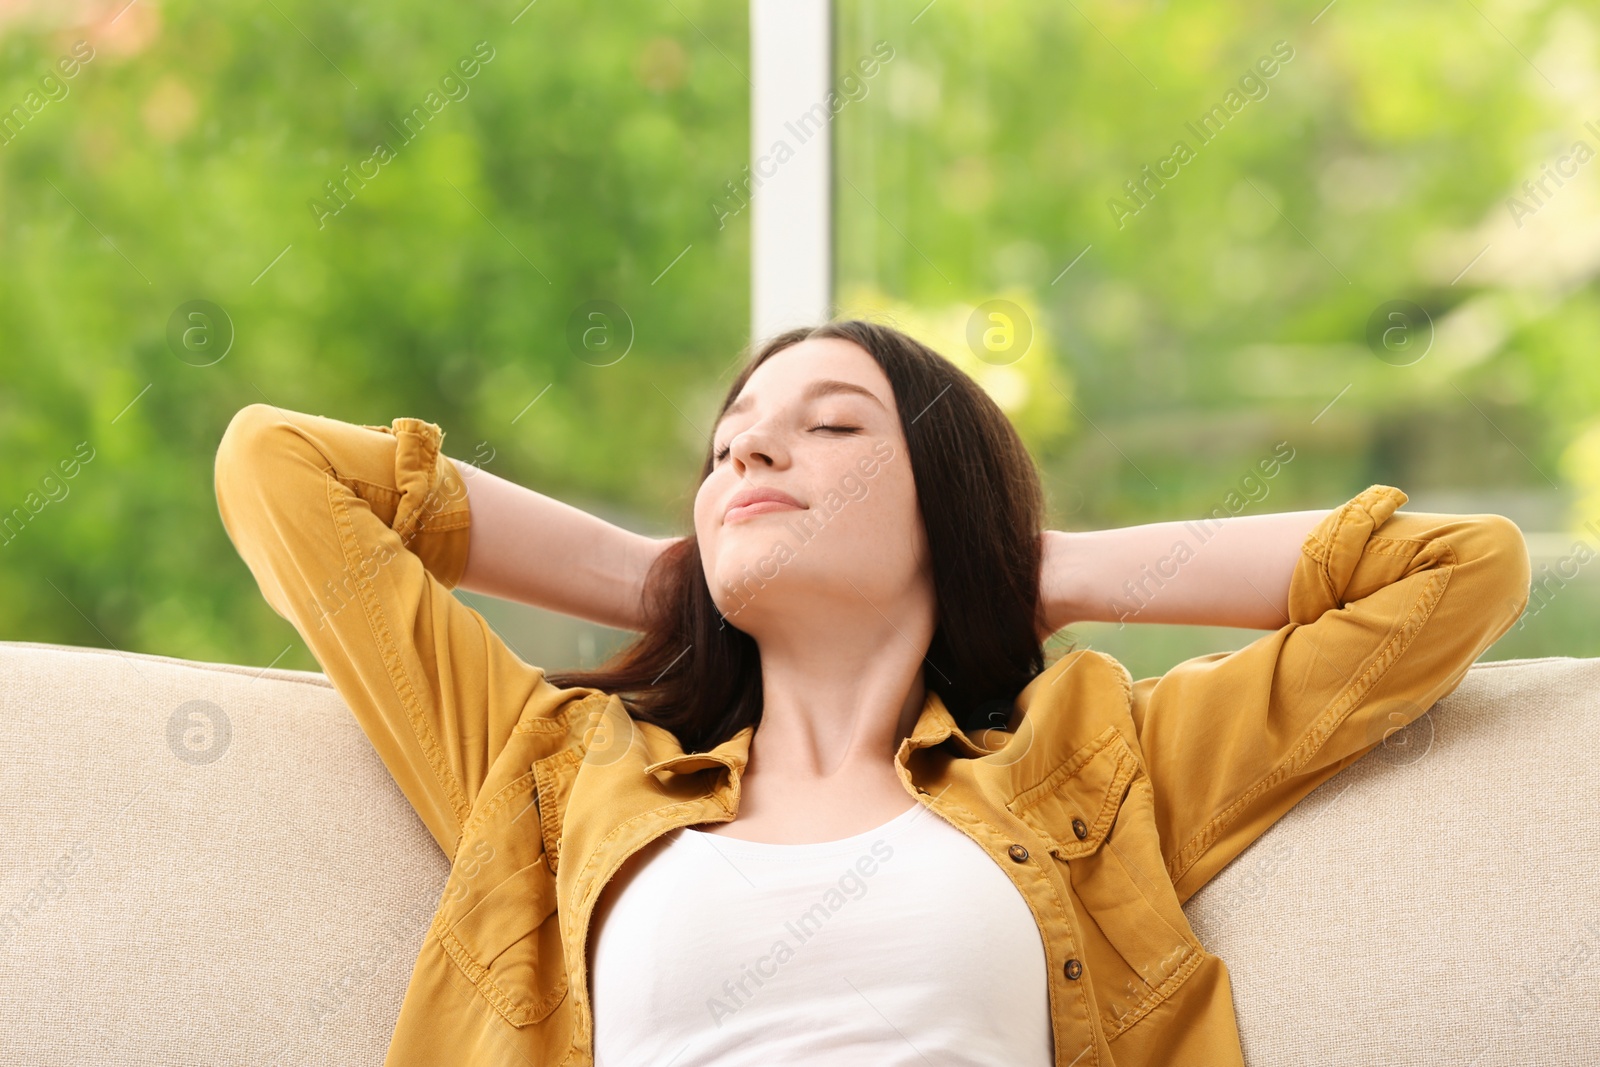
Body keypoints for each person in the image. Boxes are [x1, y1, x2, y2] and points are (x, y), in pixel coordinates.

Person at [213, 318, 1531, 1066]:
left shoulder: (1094, 761)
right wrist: (659, 575)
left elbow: (1453, 575)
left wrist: (1033, 568)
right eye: (727, 450)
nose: (753, 451)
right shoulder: (553, 771)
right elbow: (279, 470)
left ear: (940, 499)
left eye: (833, 423)